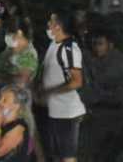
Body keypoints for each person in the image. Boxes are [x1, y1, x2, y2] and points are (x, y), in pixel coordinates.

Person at [39, 11, 85, 162]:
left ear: (58, 26)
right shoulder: (54, 44)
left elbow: (77, 81)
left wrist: (51, 91)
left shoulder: (69, 49)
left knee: (67, 157)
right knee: (57, 155)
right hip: (54, 111)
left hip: (67, 113)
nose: (48, 24)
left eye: (51, 21)